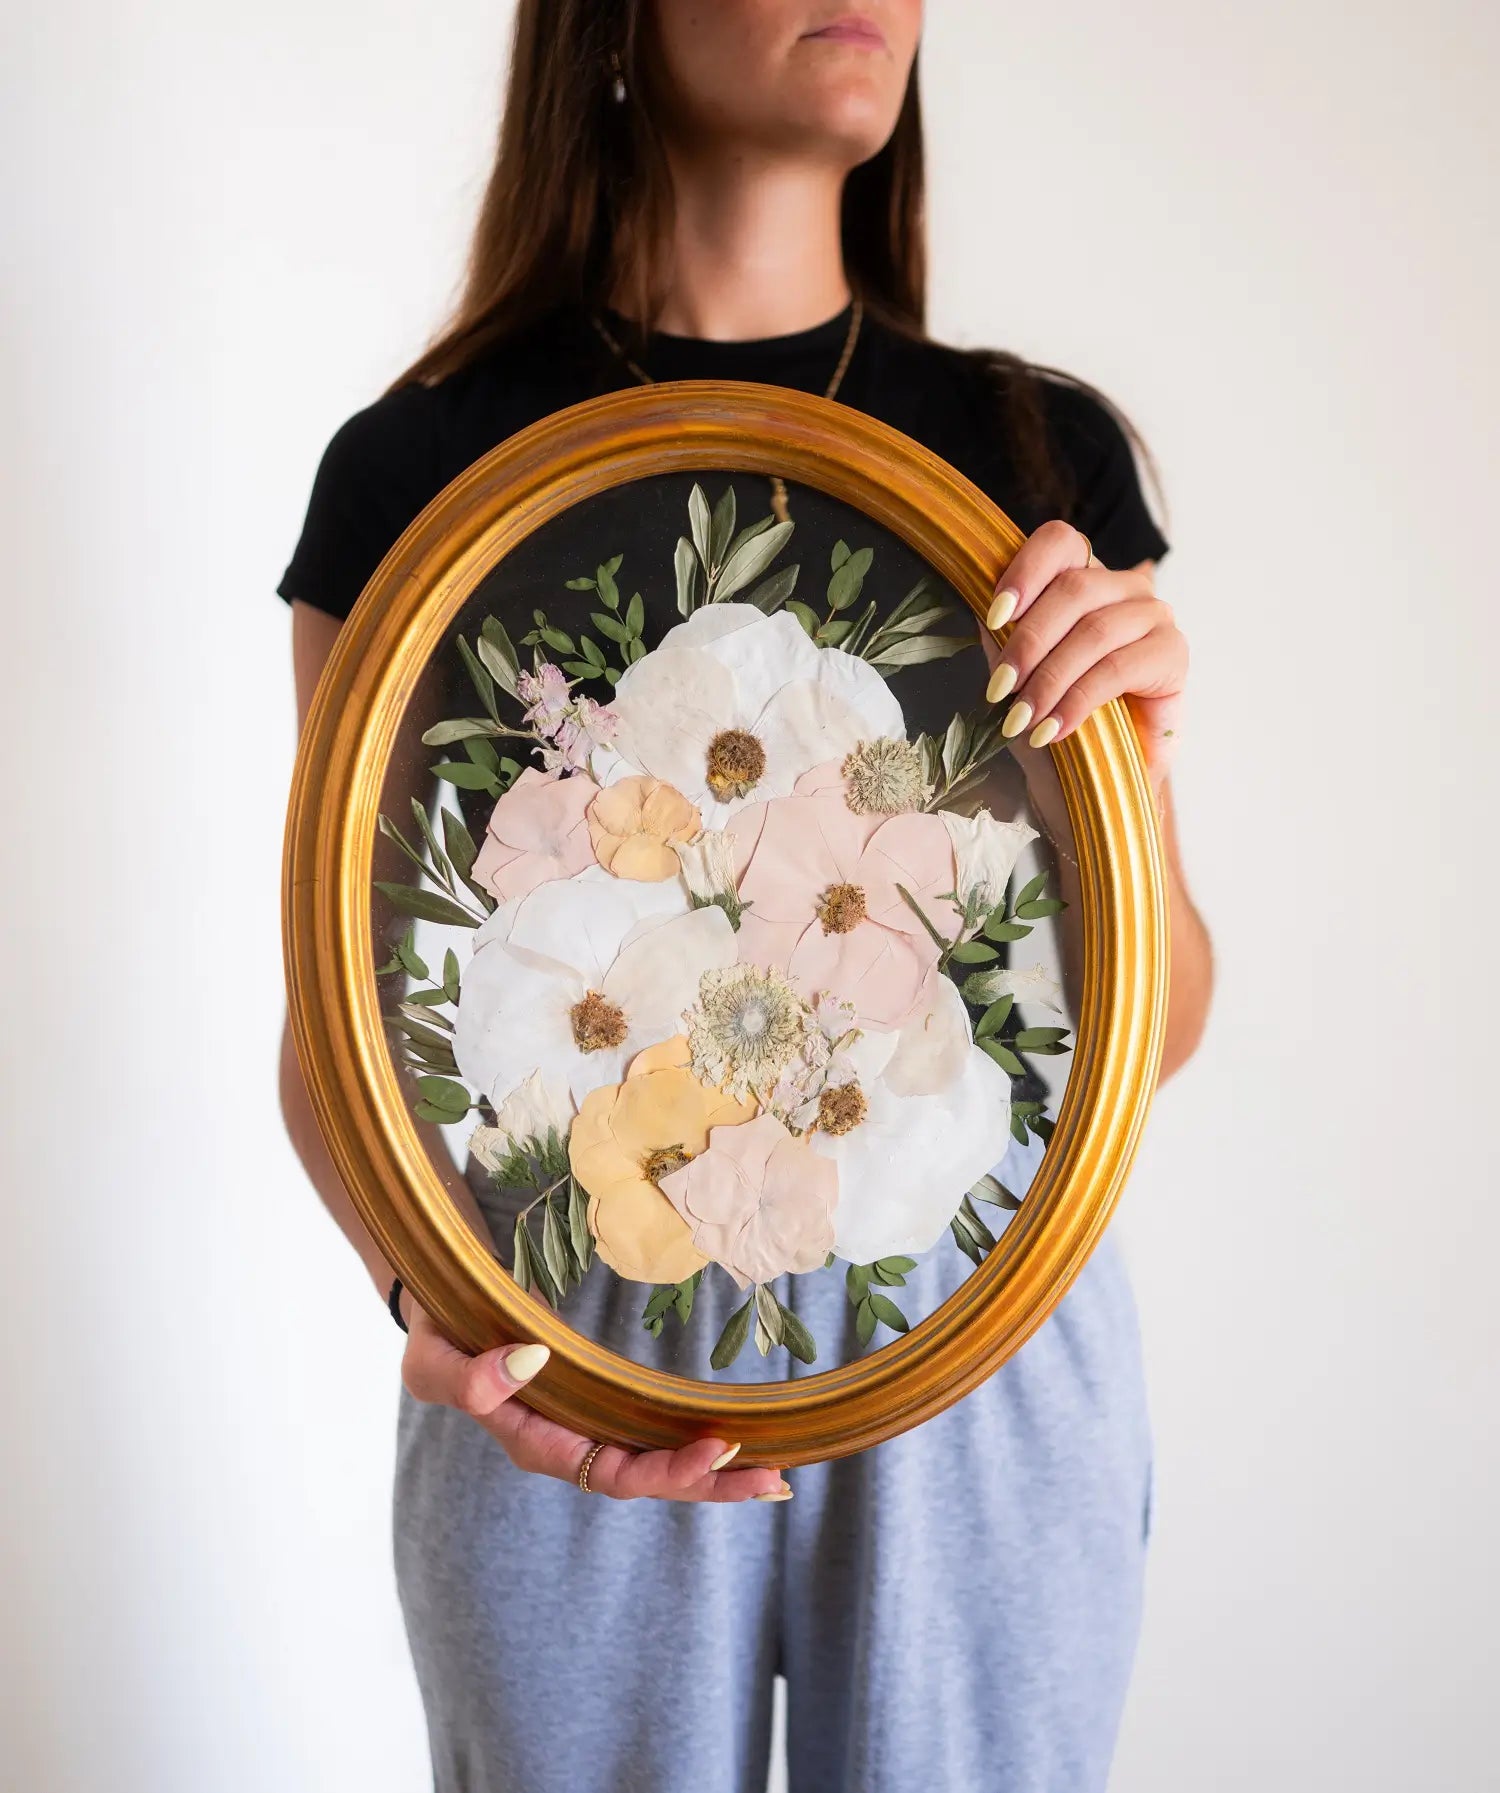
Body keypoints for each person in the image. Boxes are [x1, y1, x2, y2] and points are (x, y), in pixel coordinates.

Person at [277, 4, 1214, 1788]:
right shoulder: (417, 475)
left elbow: (1148, 1023)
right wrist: (431, 1303)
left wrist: (1130, 776)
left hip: (977, 1295)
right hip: (569, 1308)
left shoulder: (1038, 459)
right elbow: (340, 1013)